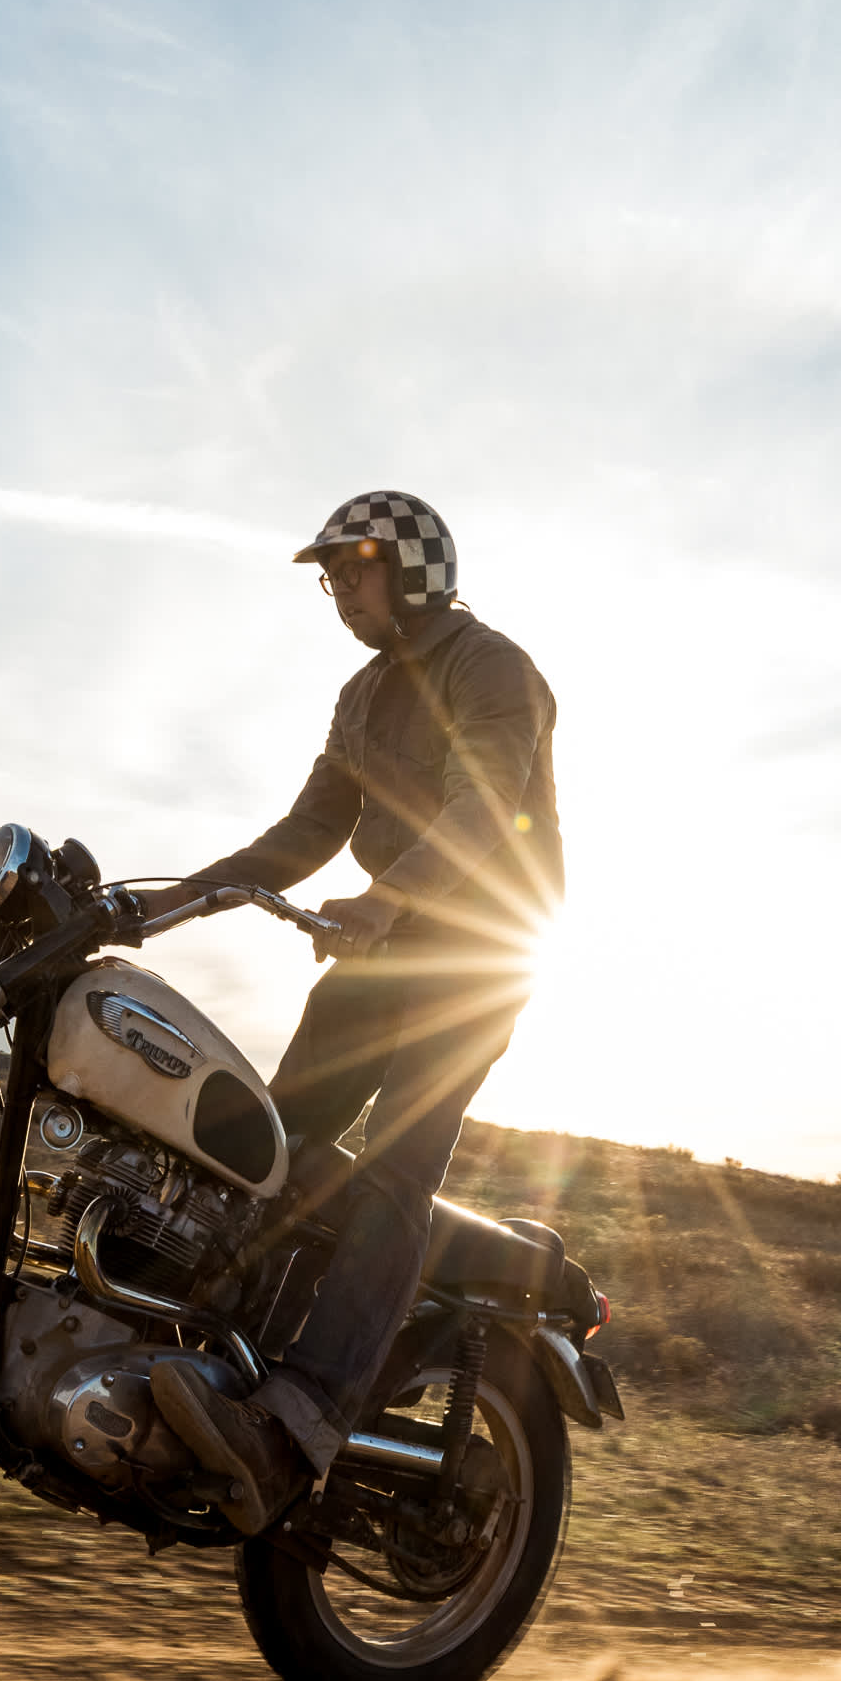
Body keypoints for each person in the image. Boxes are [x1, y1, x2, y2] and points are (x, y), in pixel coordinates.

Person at [146, 489, 561, 1533]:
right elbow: (303, 833)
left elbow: (487, 803)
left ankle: (302, 1420)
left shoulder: (490, 665)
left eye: (354, 566)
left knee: (396, 1166)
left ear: (415, 567)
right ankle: (209, 1357)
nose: (334, 587)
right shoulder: (359, 699)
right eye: (327, 573)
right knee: (269, 1142)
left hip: (473, 957)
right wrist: (164, 902)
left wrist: (389, 896)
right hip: (382, 955)